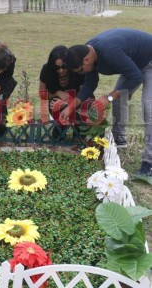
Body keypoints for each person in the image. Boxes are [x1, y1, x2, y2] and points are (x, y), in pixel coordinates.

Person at [63, 28, 152, 179]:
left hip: (149, 60)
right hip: (132, 63)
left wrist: (109, 97)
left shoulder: (110, 52)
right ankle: (119, 138)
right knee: (119, 100)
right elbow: (90, 83)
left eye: (80, 70)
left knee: (148, 106)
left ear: (87, 60)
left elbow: (136, 77)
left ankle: (148, 162)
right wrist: (71, 106)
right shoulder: (87, 52)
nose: (80, 73)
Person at [39, 45, 87, 130]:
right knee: (54, 104)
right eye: (57, 68)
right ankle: (60, 127)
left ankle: (78, 129)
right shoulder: (47, 70)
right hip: (57, 104)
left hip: (78, 103)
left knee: (79, 131)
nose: (61, 71)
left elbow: (84, 95)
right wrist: (57, 93)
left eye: (64, 67)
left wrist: (67, 103)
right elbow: (42, 94)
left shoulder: (77, 69)